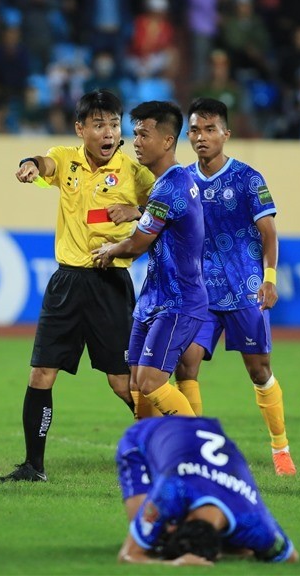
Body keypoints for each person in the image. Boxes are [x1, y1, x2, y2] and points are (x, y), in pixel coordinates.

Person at [0, 90, 155, 483]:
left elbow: (172, 209)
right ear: (80, 129)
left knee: (123, 382)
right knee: (41, 374)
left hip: (111, 284)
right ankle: (34, 465)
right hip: (67, 282)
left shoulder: (134, 173)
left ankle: (163, 452)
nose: (109, 132)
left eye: (114, 124)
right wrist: (28, 165)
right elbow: (43, 162)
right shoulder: (66, 159)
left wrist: (137, 211)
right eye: (99, 124)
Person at [174, 97, 296, 476]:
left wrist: (270, 279)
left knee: (259, 371)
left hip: (245, 290)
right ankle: (196, 450)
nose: (201, 136)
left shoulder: (248, 178)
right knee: (185, 365)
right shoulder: (182, 180)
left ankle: (280, 449)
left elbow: (269, 233)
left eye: (210, 129)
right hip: (200, 294)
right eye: (195, 129)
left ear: (225, 133)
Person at [92, 101, 208, 419]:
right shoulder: (169, 183)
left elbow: (138, 243)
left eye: (144, 135)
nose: (136, 142)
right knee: (136, 383)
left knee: (151, 382)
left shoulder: (170, 186)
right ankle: (152, 457)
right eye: (135, 134)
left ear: (167, 141)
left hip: (178, 302)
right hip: (153, 300)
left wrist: (110, 249)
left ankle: (199, 450)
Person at [115, 416, 298, 565]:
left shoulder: (256, 521)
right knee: (151, 541)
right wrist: (174, 564)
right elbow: (128, 555)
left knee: (153, 534)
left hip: (201, 433)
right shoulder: (171, 491)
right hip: (143, 436)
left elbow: (290, 557)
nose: (170, 526)